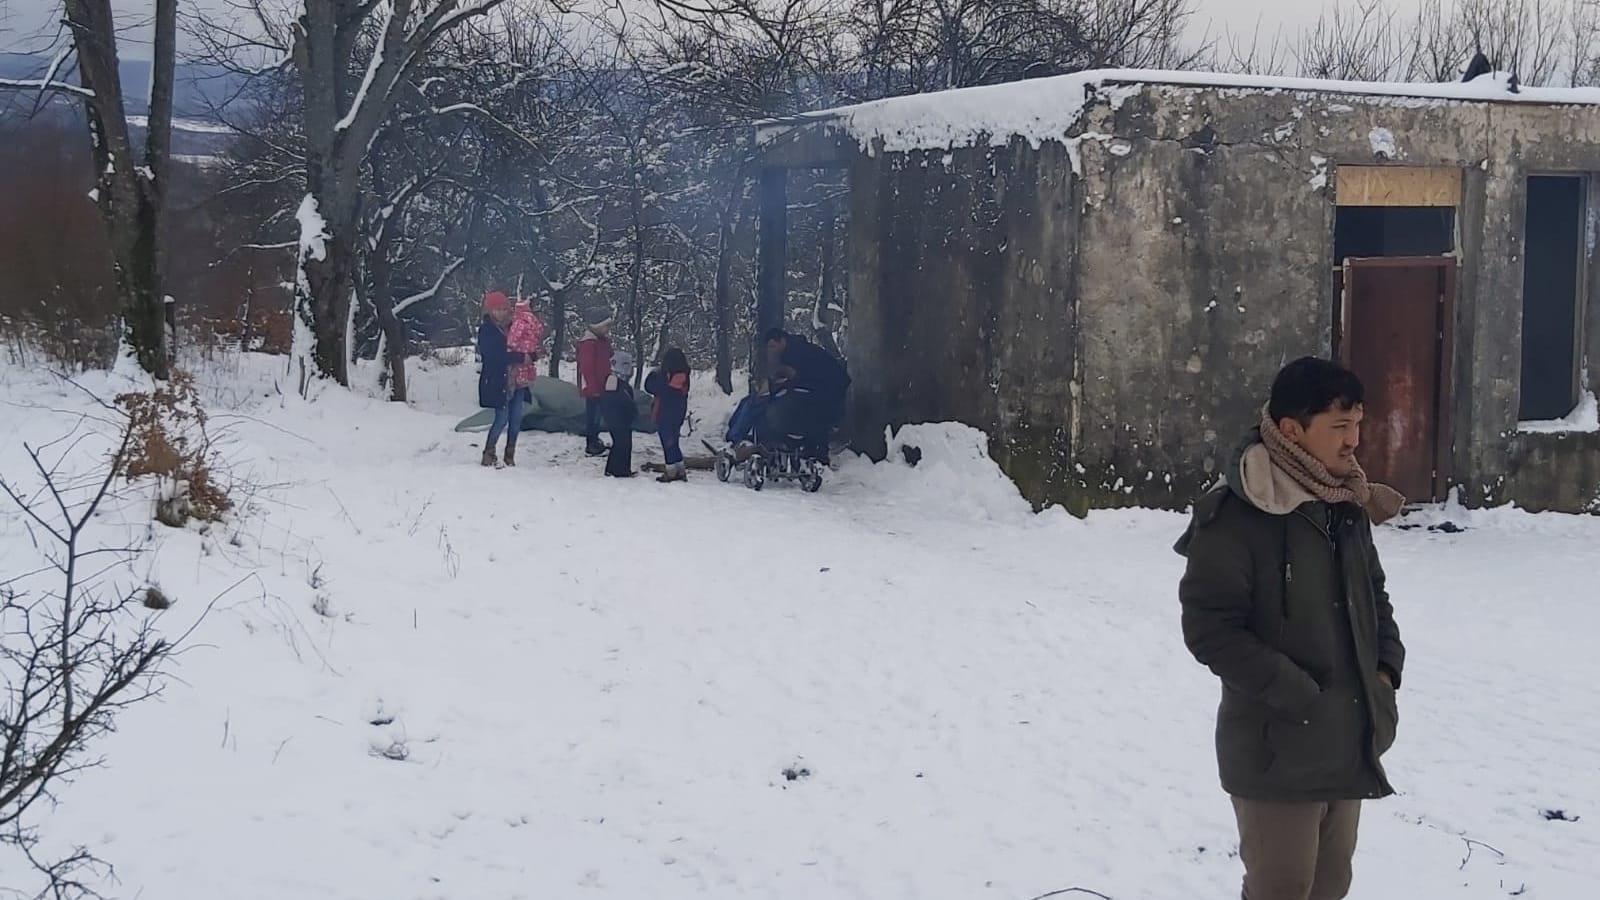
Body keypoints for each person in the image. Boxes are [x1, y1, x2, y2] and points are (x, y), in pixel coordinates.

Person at [1174, 356, 1407, 900]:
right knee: (1283, 889)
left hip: (1348, 739)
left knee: (1331, 888)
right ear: (1291, 431)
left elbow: (1375, 597)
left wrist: (1385, 672)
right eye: (1338, 427)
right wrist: (1297, 695)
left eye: (1357, 424)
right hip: (1276, 749)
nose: (1353, 441)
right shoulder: (1236, 515)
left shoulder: (1344, 503)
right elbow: (1210, 628)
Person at [762, 328, 850, 462]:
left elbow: (802, 377)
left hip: (829, 390)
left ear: (781, 341)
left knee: (795, 408)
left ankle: (813, 451)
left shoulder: (796, 352)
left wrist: (784, 382)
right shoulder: (793, 350)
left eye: (773, 346)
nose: (771, 350)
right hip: (823, 388)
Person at [476, 291, 522, 468]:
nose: (502, 312)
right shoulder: (487, 330)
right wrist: (519, 357)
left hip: (518, 380)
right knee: (501, 418)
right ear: (491, 311)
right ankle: (489, 452)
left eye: (505, 309)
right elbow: (493, 356)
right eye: (498, 309)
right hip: (498, 381)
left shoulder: (515, 327)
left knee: (516, 419)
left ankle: (510, 455)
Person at [500, 298, 543, 466]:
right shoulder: (535, 323)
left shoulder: (518, 323)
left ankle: (496, 452)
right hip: (527, 372)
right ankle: (510, 454)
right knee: (516, 415)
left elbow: (511, 342)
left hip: (514, 370)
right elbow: (536, 347)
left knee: (505, 413)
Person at [645, 348, 691, 483]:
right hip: (678, 413)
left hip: (665, 413)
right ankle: (680, 470)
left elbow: (652, 387)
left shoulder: (666, 377)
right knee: (674, 442)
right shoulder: (684, 376)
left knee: (668, 443)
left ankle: (671, 472)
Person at [576, 308, 615, 457]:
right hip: (594, 386)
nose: (608, 330)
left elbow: (608, 355)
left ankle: (595, 440)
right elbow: (587, 367)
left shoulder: (600, 341)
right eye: (606, 326)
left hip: (602, 384)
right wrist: (592, 386)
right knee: (593, 416)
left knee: (597, 415)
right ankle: (591, 444)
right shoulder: (589, 343)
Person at [601, 350, 636, 478]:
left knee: (621, 443)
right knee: (622, 444)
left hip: (619, 419)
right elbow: (621, 402)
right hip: (618, 419)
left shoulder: (616, 382)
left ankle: (616, 469)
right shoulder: (616, 383)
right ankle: (619, 470)